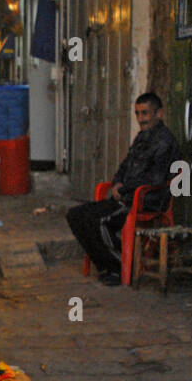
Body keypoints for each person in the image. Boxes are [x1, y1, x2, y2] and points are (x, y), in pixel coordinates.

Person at [67, 92, 180, 286]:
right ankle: (109, 262)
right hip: (125, 196)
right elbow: (125, 165)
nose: (140, 119)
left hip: (146, 200)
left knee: (98, 221)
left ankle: (118, 266)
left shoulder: (164, 141)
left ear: (159, 114)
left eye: (145, 113)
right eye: (137, 113)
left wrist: (125, 189)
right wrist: (117, 182)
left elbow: (155, 179)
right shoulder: (141, 138)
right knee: (75, 215)